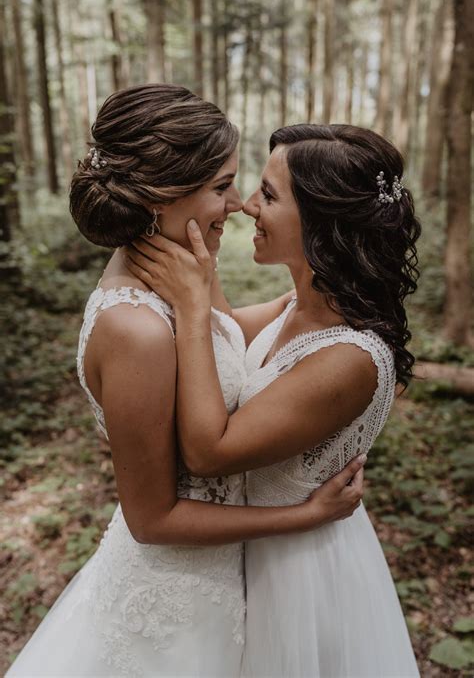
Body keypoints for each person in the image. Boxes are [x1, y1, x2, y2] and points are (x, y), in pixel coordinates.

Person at [6, 87, 365, 678]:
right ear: (160, 194)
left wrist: (323, 294)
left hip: (228, 581)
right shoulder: (136, 331)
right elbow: (153, 520)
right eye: (221, 186)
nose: (237, 204)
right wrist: (303, 516)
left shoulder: (180, 271)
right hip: (174, 603)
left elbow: (223, 334)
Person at [125, 123, 421, 677]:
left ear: (323, 221)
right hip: (245, 554)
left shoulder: (350, 357)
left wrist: (191, 306)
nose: (247, 207)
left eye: (269, 194)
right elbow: (226, 333)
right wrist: (200, 267)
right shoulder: (300, 303)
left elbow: (209, 452)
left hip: (296, 574)